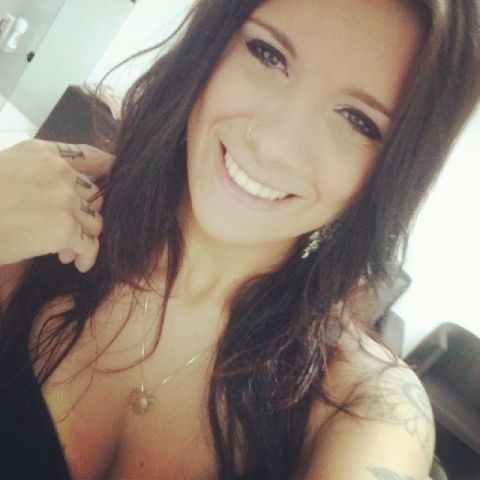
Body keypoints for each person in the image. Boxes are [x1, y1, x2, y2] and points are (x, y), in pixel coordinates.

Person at [0, 0, 479, 479]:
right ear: (209, 48)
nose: (273, 143)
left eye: (358, 120)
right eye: (268, 54)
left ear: (393, 173)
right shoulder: (31, 228)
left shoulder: (364, 404)